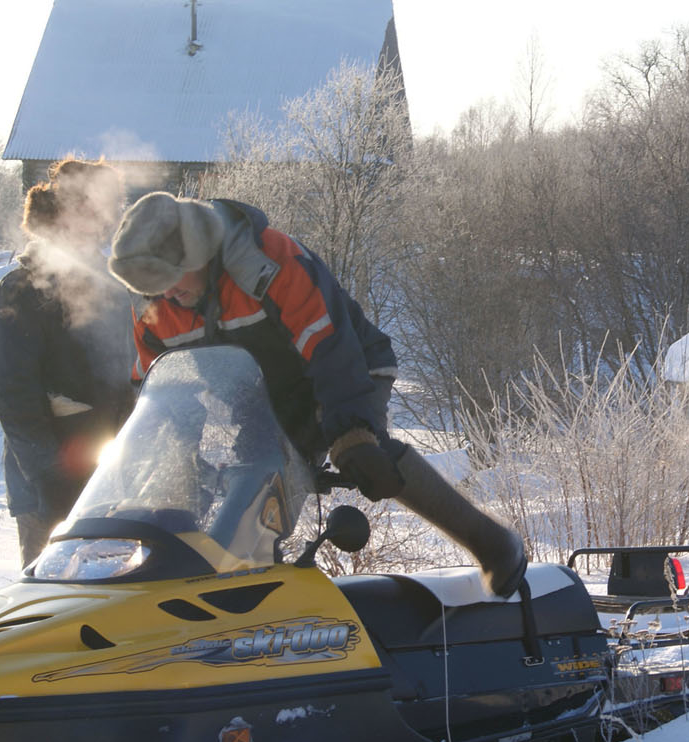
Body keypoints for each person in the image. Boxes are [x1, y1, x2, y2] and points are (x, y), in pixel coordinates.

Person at [106, 191, 527, 598]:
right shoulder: (154, 307)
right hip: (263, 394)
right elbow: (161, 396)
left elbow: (329, 347)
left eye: (171, 282)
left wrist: (352, 433)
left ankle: (493, 544)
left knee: (362, 459)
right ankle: (219, 595)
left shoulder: (267, 260)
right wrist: (163, 470)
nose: (166, 296)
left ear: (195, 254)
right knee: (247, 480)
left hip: (346, 365)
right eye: (153, 288)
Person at [0, 159, 138, 569]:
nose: (104, 221)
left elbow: (128, 381)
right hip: (46, 492)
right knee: (52, 606)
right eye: (94, 208)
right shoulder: (22, 290)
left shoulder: (111, 289)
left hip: (106, 486)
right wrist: (51, 480)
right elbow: (13, 396)